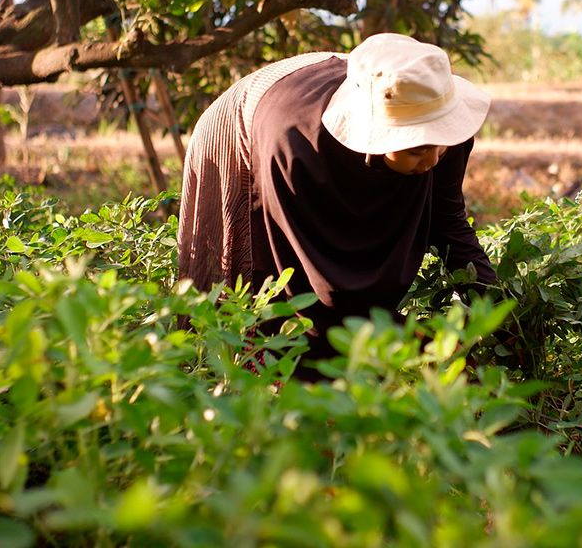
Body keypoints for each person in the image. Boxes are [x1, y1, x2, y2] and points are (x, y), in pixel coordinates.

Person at [177, 33, 496, 376]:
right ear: (376, 136)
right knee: (261, 303)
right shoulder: (296, 148)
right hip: (250, 122)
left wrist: (497, 307)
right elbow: (320, 283)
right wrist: (414, 340)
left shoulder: (439, 120)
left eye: (440, 144)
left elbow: (447, 222)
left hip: (351, 89)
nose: (434, 159)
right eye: (417, 148)